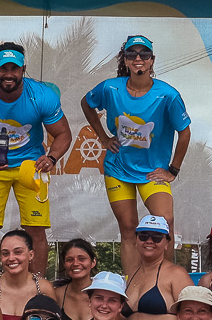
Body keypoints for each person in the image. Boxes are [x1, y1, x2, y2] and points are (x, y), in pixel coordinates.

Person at [0, 42, 71, 276]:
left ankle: (37, 286)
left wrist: (51, 157)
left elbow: (63, 134)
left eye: (14, 68)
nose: (9, 74)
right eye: (3, 68)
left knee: (36, 229)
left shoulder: (42, 96)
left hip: (31, 166)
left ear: (23, 68)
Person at [80, 35, 191, 259]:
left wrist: (173, 170)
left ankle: (165, 283)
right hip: (118, 169)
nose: (138, 58)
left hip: (152, 172)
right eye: (132, 54)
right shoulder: (111, 88)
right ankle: (132, 285)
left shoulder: (168, 95)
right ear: (125, 60)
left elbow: (185, 132)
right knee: (128, 228)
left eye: (144, 54)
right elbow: (86, 103)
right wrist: (103, 137)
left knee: (164, 223)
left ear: (152, 60)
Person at [122, 213, 190, 320]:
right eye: (144, 236)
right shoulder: (133, 273)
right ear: (136, 240)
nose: (149, 240)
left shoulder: (176, 274)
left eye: (157, 237)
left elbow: (193, 317)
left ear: (166, 243)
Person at [53, 236, 100, 320]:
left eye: (81, 259)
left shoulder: (104, 294)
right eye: (70, 260)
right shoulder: (57, 295)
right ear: (64, 264)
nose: (75, 263)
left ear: (93, 262)